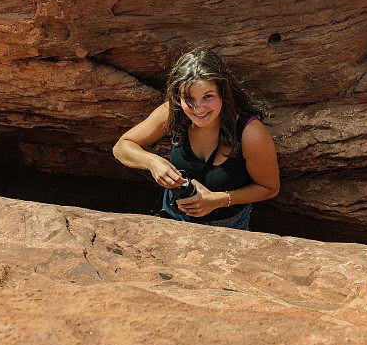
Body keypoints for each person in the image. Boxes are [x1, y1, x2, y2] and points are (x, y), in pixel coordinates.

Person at [112, 48, 279, 230]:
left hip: (226, 228)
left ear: (223, 93)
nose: (199, 108)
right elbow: (121, 147)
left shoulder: (250, 133)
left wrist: (218, 200)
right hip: (172, 215)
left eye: (208, 96)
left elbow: (269, 187)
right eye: (189, 98)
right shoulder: (173, 113)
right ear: (178, 96)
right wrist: (152, 162)